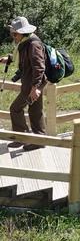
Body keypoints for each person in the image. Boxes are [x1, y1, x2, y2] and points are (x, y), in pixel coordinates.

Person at [3, 16, 47, 149]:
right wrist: (9, 59)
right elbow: (24, 59)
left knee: (15, 109)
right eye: (12, 33)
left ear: (22, 33)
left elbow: (39, 67)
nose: (13, 36)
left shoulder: (33, 44)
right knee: (35, 111)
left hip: (31, 84)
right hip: (32, 83)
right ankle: (39, 141)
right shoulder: (27, 42)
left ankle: (22, 138)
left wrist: (35, 88)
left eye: (14, 34)